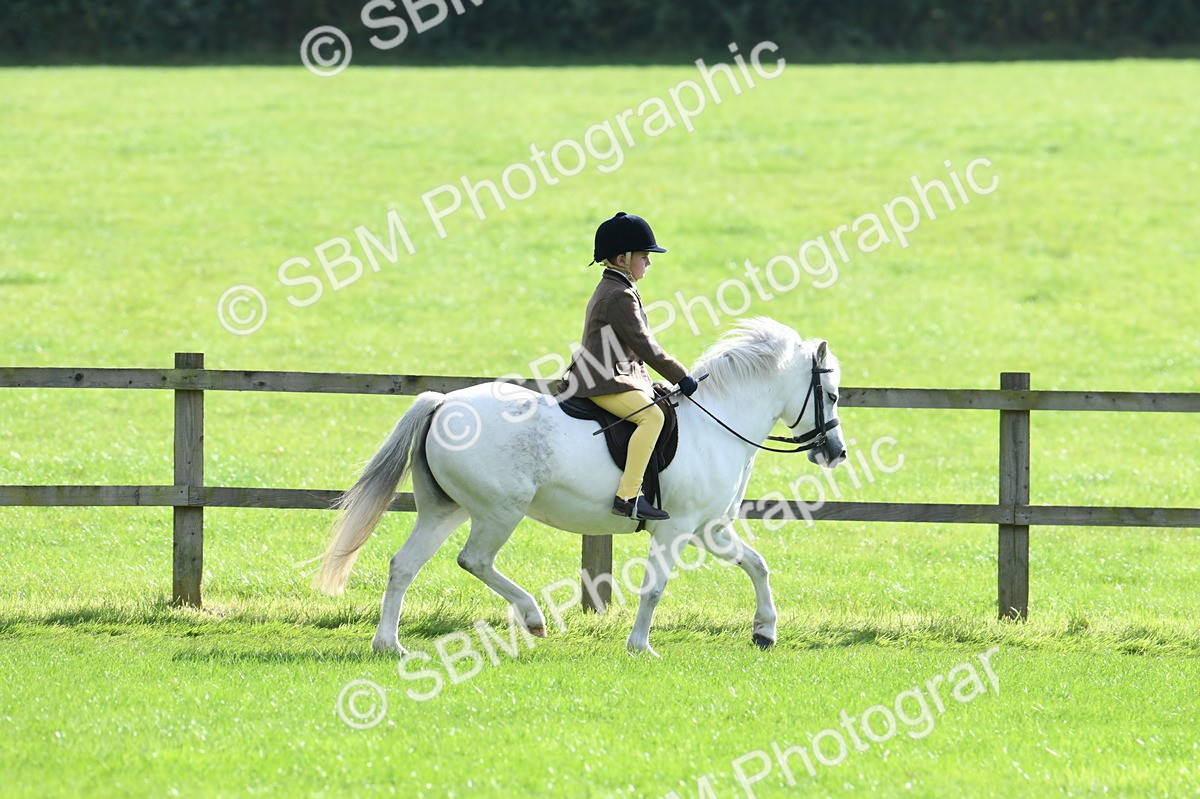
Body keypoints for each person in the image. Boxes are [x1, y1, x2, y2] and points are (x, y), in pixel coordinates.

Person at [569, 212, 699, 521]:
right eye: (644, 256)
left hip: (616, 375)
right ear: (622, 258)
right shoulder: (619, 295)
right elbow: (645, 346)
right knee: (652, 417)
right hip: (602, 381)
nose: (649, 263)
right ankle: (627, 496)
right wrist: (682, 376)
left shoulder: (619, 287)